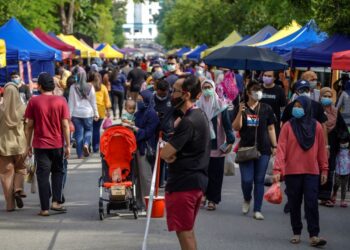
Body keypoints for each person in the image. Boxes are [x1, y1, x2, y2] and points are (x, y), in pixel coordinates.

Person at [160, 75, 210, 250]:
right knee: (187, 230)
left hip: (184, 183)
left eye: (175, 91)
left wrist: (166, 151)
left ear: (187, 95)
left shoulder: (188, 121)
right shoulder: (198, 115)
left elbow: (165, 153)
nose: (172, 94)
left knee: (184, 232)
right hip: (194, 181)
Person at [273, 96, 328, 247]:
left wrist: (324, 169)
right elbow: (281, 149)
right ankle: (296, 232)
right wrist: (277, 169)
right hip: (292, 172)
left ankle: (314, 235)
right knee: (294, 203)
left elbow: (322, 150)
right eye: (295, 105)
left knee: (311, 203)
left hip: (312, 171)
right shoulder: (287, 127)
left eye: (300, 106)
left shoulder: (316, 126)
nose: (297, 108)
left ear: (307, 108)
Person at [25, 73, 71, 216]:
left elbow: (29, 125)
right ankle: (56, 202)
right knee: (58, 172)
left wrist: (28, 145)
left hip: (40, 145)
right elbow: (65, 124)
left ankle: (44, 208)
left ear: (39, 86)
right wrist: (68, 145)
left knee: (43, 176)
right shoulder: (61, 100)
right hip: (57, 144)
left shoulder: (34, 101)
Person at [232, 80, 277, 220]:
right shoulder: (242, 107)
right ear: (248, 93)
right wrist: (240, 112)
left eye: (260, 90)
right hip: (246, 148)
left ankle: (258, 209)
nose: (258, 92)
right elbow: (236, 127)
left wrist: (275, 145)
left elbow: (271, 128)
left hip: (263, 149)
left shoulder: (266, 108)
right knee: (247, 180)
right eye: (255, 90)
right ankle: (247, 198)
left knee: (259, 180)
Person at [197, 79, 235, 211]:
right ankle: (204, 195)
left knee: (216, 174)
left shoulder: (221, 105)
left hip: (217, 145)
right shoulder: (198, 105)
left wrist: (230, 140)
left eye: (209, 87)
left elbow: (227, 124)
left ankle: (213, 200)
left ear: (213, 88)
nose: (207, 89)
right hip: (201, 145)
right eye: (204, 87)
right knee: (203, 172)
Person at [318, 87, 349, 207]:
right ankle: (313, 193)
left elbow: (343, 130)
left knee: (329, 170)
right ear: (320, 97)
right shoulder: (317, 111)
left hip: (332, 146)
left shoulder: (336, 112)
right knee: (317, 169)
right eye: (324, 95)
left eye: (329, 96)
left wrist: (344, 142)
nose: (327, 98)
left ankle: (325, 197)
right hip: (317, 145)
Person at [0, 83, 27, 211]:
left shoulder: (0, 110)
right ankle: (18, 189)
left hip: (3, 146)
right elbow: (28, 127)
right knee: (21, 169)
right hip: (20, 145)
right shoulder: (23, 108)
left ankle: (10, 205)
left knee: (6, 174)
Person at [131, 90, 159, 209]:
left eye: (140, 100)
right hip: (136, 147)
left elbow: (148, 132)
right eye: (137, 100)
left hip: (146, 148)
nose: (138, 102)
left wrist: (135, 129)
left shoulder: (152, 114)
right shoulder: (139, 113)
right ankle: (139, 202)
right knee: (137, 176)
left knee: (145, 176)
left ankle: (148, 203)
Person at [69, 67, 99, 158]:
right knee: (88, 130)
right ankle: (86, 144)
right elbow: (93, 101)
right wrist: (96, 113)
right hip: (88, 113)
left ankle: (79, 154)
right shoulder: (90, 87)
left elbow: (71, 102)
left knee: (78, 133)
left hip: (76, 113)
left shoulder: (73, 87)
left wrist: (68, 116)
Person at [260, 71, 287, 138]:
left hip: (273, 123)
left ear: (274, 78)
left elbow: (283, 107)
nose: (266, 77)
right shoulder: (257, 88)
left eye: (269, 76)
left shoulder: (279, 90)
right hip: (258, 121)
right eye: (265, 75)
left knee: (272, 143)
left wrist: (282, 121)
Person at [89, 72, 111, 153]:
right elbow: (107, 100)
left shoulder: (89, 85)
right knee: (96, 129)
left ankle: (87, 145)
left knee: (88, 129)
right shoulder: (103, 87)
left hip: (89, 110)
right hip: (100, 111)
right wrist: (108, 111)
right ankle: (96, 147)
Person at [332, 136, 350, 207]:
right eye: (342, 142)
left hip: (347, 169)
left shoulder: (349, 150)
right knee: (336, 183)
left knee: (344, 185)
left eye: (345, 142)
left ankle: (342, 200)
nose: (343, 144)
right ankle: (334, 193)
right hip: (338, 169)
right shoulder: (337, 149)